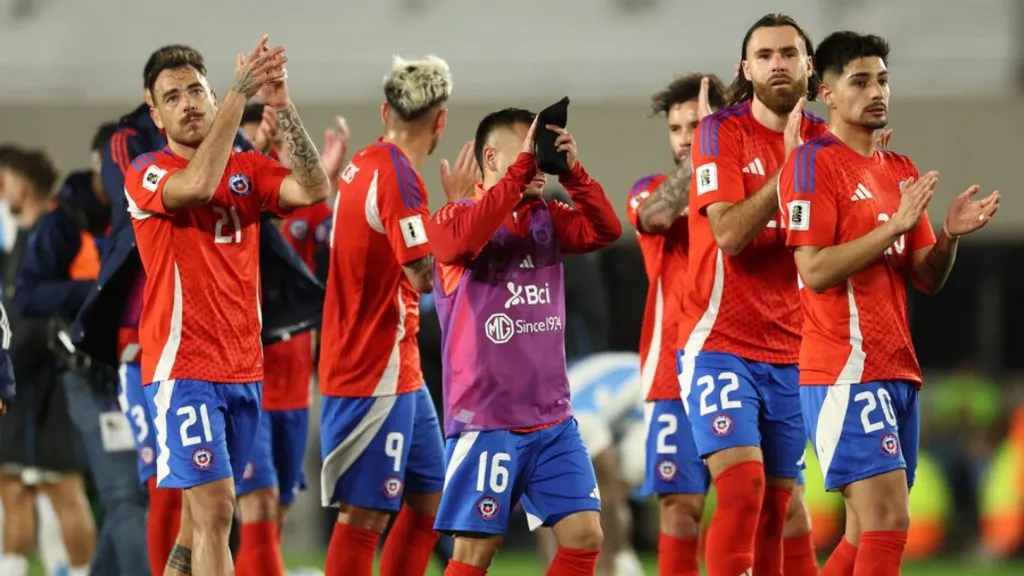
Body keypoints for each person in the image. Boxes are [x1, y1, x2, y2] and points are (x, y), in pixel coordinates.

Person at [72, 42, 325, 575]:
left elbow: (313, 187)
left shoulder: (248, 168)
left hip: (243, 367)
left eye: (194, 91)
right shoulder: (145, 172)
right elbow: (197, 185)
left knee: (196, 527)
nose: (187, 103)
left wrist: (280, 104)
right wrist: (238, 96)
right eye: (172, 97)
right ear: (156, 114)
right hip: (181, 368)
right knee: (217, 511)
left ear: (210, 94)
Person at [778, 31, 999, 576]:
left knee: (863, 532)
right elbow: (814, 270)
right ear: (826, 93)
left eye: (882, 80)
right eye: (860, 81)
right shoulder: (811, 165)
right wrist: (895, 225)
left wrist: (946, 235)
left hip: (898, 370)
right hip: (842, 370)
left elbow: (926, 276)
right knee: (888, 523)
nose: (877, 91)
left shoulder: (897, 168)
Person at [428, 107, 621, 575]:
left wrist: (574, 174)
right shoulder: (458, 216)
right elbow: (454, 246)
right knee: (476, 552)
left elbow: (606, 230)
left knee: (584, 536)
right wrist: (517, 177)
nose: (536, 163)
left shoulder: (546, 218)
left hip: (552, 419)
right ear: (492, 157)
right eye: (526, 153)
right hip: (487, 419)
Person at [678, 13, 830, 576]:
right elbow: (731, 235)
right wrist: (789, 167)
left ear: (809, 67)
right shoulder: (721, 132)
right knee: (743, 489)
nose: (778, 64)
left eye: (789, 53)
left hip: (792, 351)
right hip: (719, 340)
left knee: (777, 510)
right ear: (746, 68)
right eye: (764, 55)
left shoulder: (826, 142)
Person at [317, 54, 451, 576]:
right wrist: (462, 216)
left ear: (384, 111)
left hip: (400, 364)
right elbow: (422, 275)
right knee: (367, 513)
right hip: (373, 370)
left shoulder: (364, 164)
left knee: (428, 502)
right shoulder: (399, 177)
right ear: (440, 120)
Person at [0, 148, 97, 576]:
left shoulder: (58, 230)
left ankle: (80, 571)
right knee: (13, 486)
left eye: (3, 179)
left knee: (64, 487)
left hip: (55, 383)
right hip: (17, 386)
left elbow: (66, 305)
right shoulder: (17, 239)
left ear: (22, 183)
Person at [536, 351, 647, 576]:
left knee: (550, 511)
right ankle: (616, 560)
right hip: (573, 413)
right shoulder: (647, 388)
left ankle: (614, 560)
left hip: (543, 410)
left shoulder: (637, 377)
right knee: (607, 495)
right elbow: (621, 484)